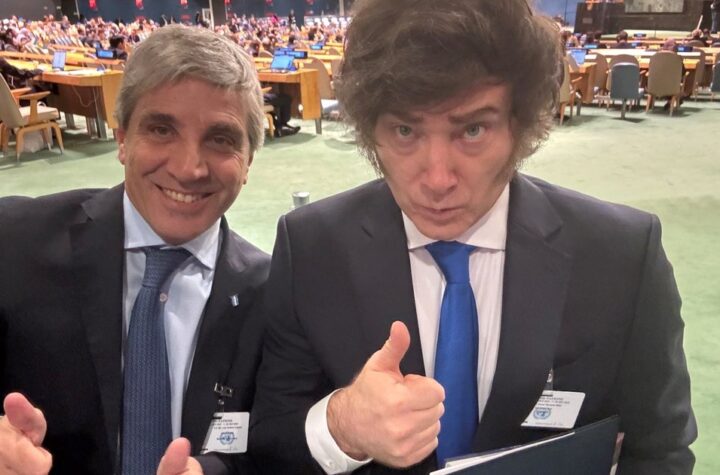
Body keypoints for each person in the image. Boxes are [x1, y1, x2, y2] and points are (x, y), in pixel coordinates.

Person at [249, 0, 697, 474]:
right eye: (405, 130)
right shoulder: (312, 248)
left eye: (473, 129)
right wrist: (342, 426)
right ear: (369, 129)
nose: (438, 179)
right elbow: (270, 442)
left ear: (519, 126)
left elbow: (660, 451)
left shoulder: (621, 255)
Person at [0, 25, 269, 475]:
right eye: (162, 129)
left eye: (221, 139)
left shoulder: (272, 292)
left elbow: (269, 445)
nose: (189, 168)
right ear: (122, 139)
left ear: (248, 162)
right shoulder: (14, 243)